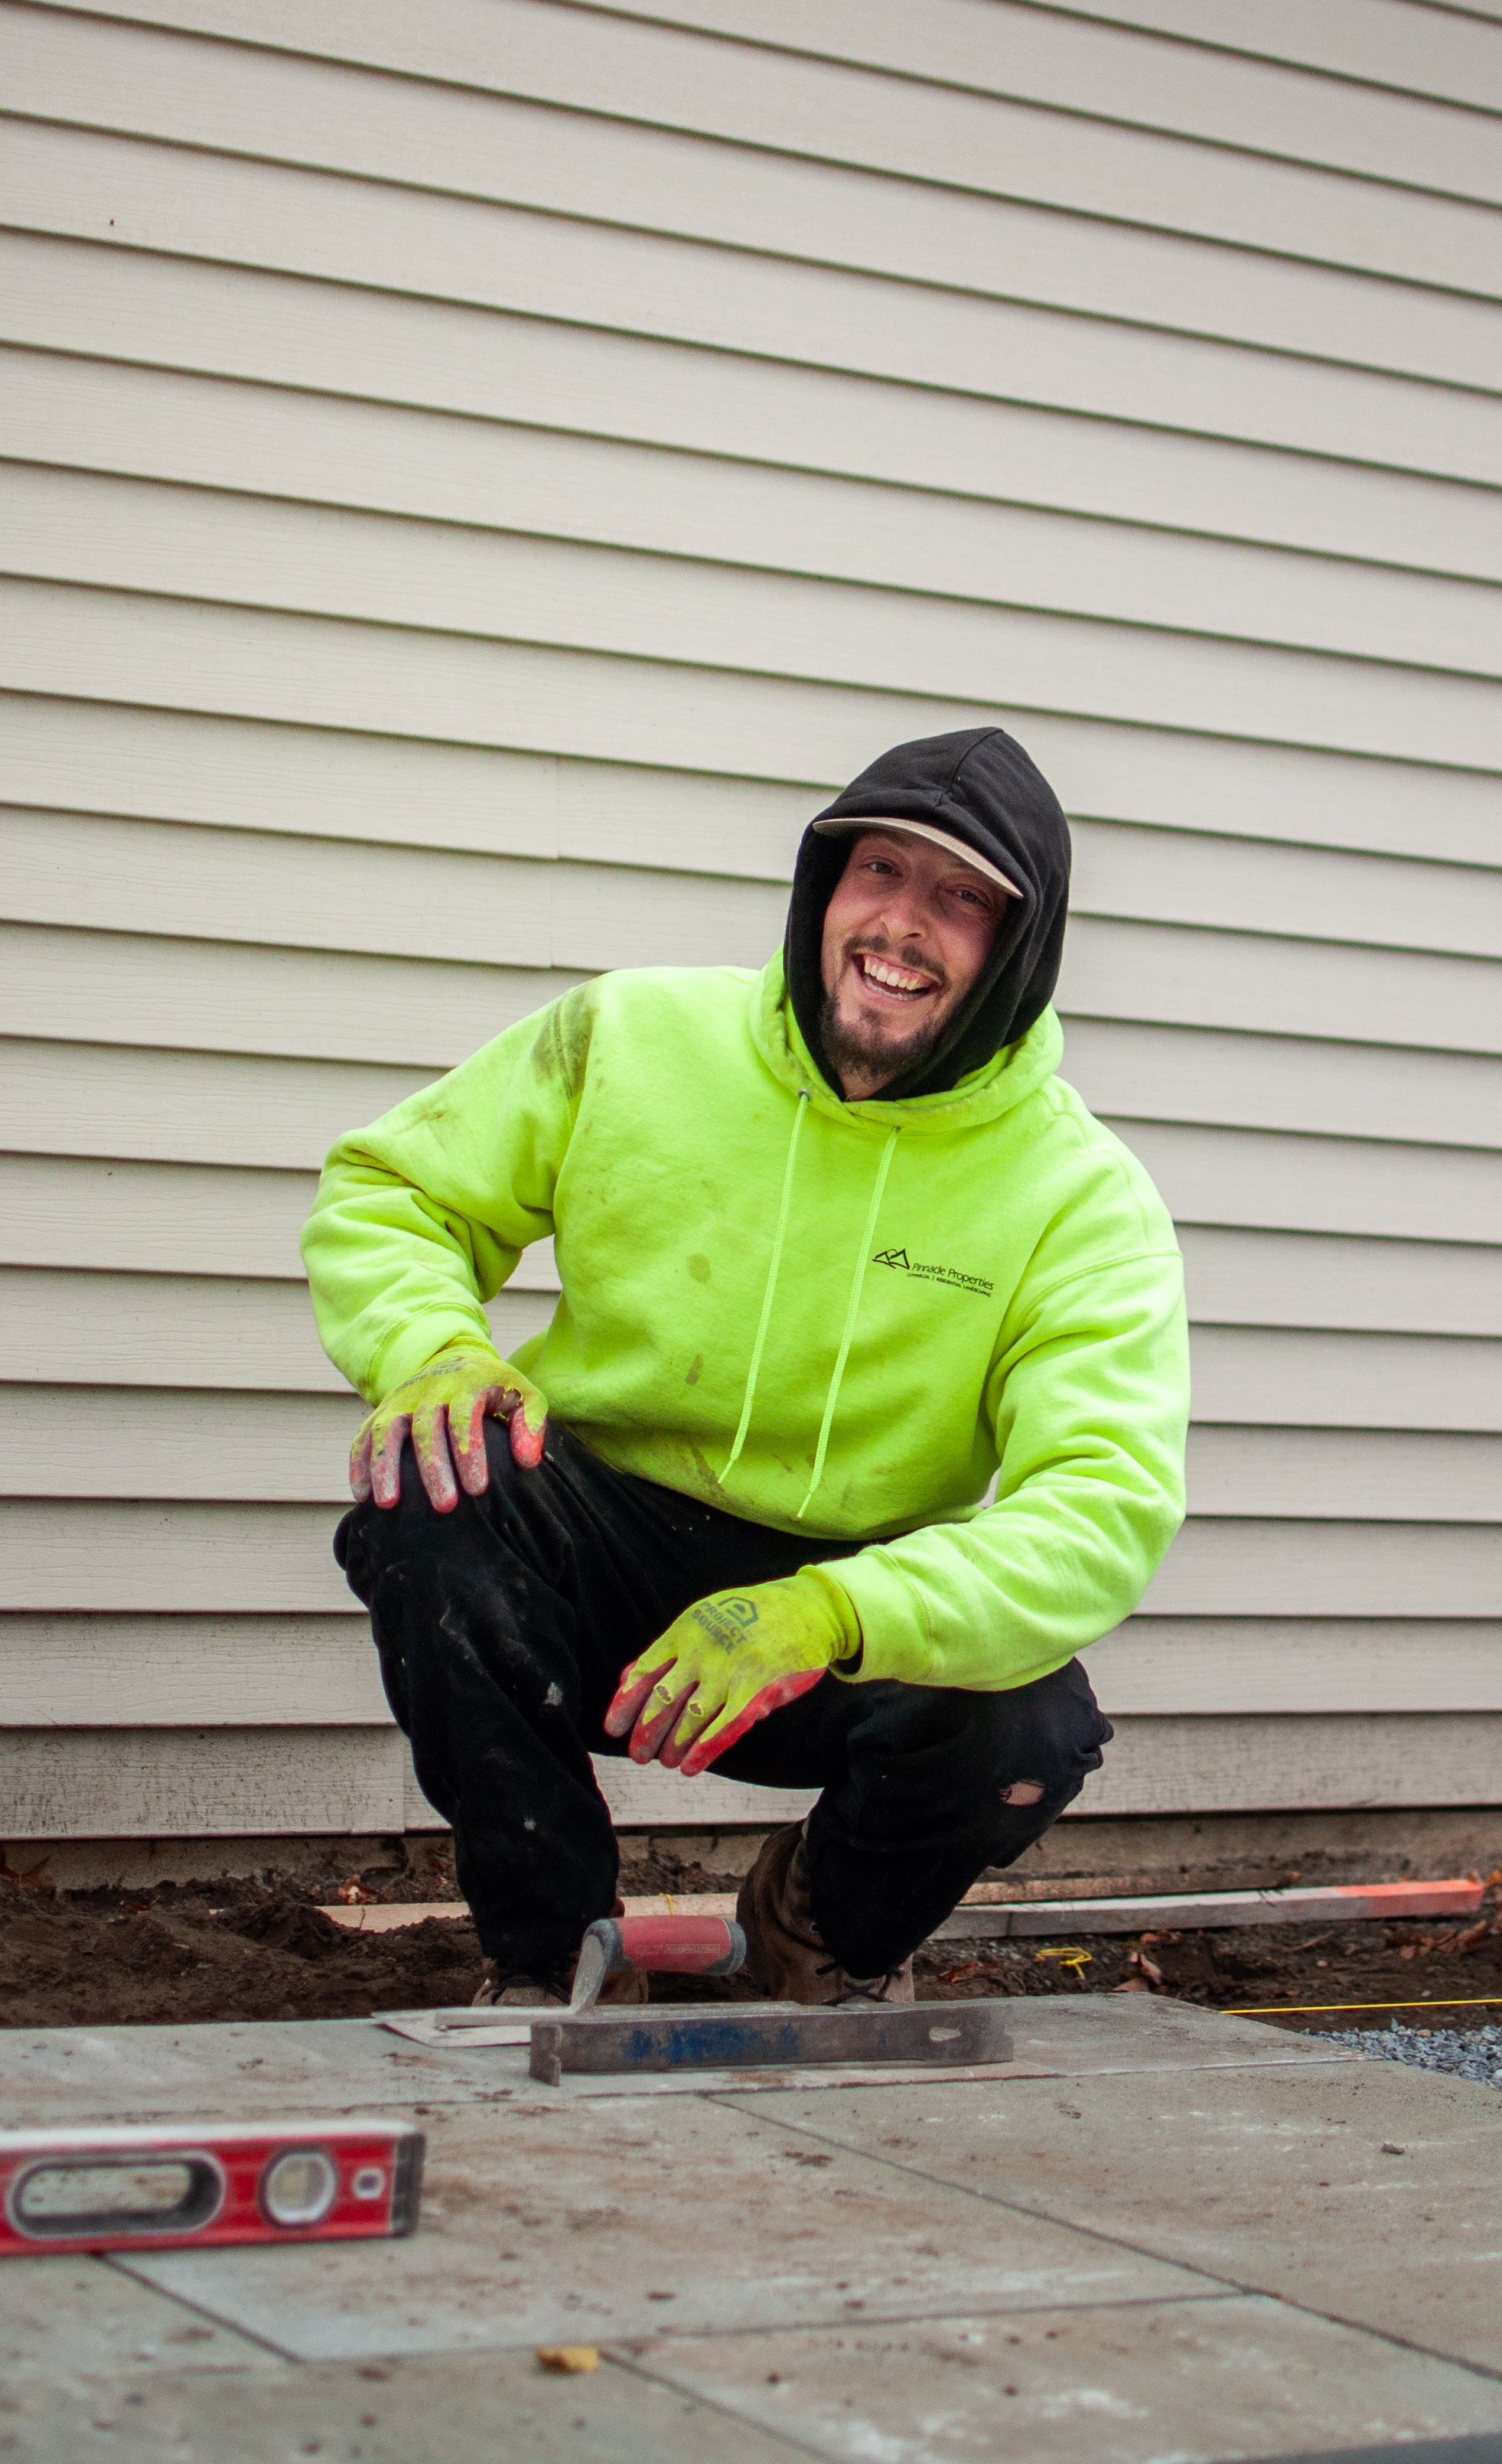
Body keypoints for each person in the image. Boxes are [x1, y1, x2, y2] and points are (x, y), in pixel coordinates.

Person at [303, 726, 1190, 2008]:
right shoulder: (632, 1034)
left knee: (1026, 1725)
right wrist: (429, 1346)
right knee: (436, 1494)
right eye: (878, 871)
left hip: (845, 1604)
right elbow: (394, 1189)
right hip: (596, 1541)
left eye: (960, 897)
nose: (900, 923)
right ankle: (555, 1953)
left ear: (1019, 949)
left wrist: (825, 1612)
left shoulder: (1082, 1200)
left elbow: (1098, 1507)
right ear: (820, 889)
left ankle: (813, 1927)